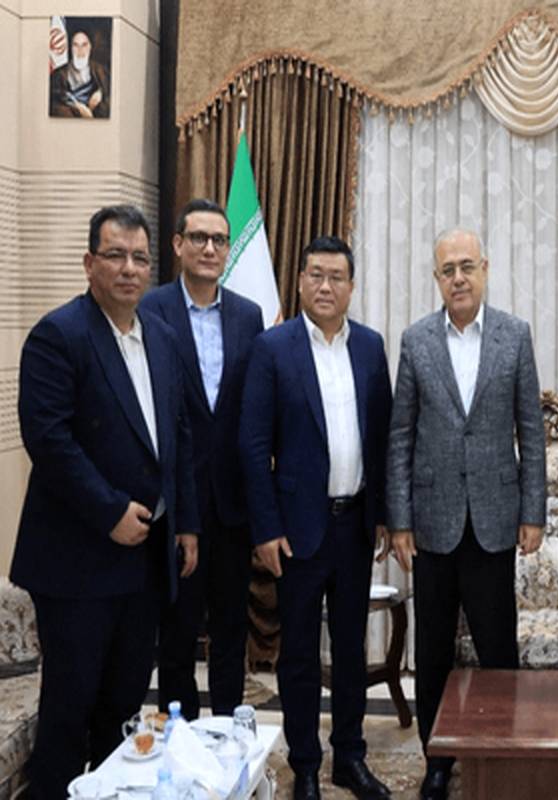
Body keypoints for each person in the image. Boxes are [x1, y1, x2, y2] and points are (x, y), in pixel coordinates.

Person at [11, 205, 199, 799]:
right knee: (70, 713)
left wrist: (186, 523)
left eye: (140, 257)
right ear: (90, 262)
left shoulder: (162, 337)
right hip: (77, 562)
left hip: (145, 560)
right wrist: (109, 511)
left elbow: (177, 435)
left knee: (122, 710)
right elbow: (48, 439)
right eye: (116, 255)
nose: (129, 268)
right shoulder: (59, 335)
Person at [385, 228, 546, 800]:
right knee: (432, 652)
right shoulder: (416, 341)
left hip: (495, 519)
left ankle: (499, 753)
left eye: (467, 267)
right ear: (437, 279)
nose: (458, 278)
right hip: (433, 522)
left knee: (497, 650)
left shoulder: (514, 335)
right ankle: (438, 759)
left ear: (485, 269)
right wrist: (400, 520)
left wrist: (533, 512)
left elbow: (531, 430)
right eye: (448, 269)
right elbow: (400, 436)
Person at [240, 236, 393, 800]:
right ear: (300, 281)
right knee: (300, 653)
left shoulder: (370, 347)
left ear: (351, 286)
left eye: (337, 277)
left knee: (351, 650)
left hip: (355, 525)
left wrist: (383, 514)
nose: (326, 286)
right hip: (297, 531)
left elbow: (382, 438)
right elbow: (253, 445)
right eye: (316, 275)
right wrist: (265, 528)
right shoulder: (272, 348)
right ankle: (305, 762)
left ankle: (350, 757)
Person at [141, 199, 264, 719]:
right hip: (176, 502)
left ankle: (229, 735)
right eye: (199, 238)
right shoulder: (150, 311)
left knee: (232, 629)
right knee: (177, 631)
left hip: (232, 503)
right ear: (178, 245)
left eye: (219, 240)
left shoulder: (248, 315)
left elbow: (254, 411)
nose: (210, 248)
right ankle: (182, 736)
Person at [49, 27, 110, 118]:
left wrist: (100, 93)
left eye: (84, 45)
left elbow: (109, 89)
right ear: (71, 48)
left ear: (90, 47)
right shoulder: (58, 74)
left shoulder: (100, 71)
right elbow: (56, 98)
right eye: (76, 45)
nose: (80, 50)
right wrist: (77, 106)